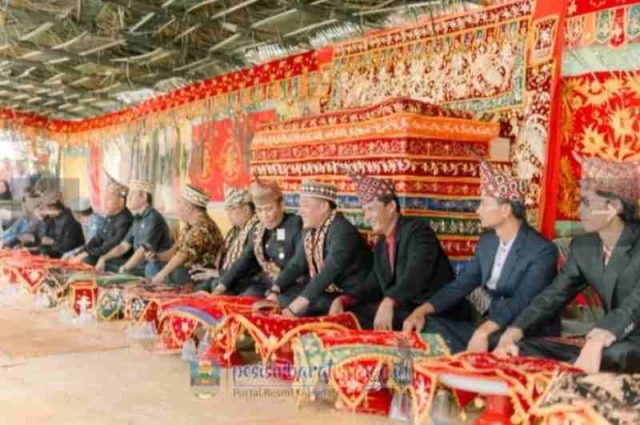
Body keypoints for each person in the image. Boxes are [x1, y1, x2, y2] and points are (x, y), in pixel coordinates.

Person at [495, 155, 640, 373]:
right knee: (520, 349)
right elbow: (553, 295)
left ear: (614, 207)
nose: (579, 211)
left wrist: (599, 338)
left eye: (587, 203)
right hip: (609, 340)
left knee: (609, 356)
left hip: (623, 339)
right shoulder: (584, 247)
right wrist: (514, 331)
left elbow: (635, 305)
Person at [402, 157, 559, 353]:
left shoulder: (542, 250)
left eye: (484, 203)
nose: (478, 210)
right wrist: (421, 311)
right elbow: (462, 284)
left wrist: (483, 331)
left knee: (503, 346)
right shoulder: (488, 242)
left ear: (505, 210)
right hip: (492, 328)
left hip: (524, 333)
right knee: (427, 325)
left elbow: (522, 300)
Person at [329, 173, 467, 330]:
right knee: (352, 313)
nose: (366, 217)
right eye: (364, 211)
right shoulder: (382, 244)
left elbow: (416, 273)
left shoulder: (417, 231)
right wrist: (344, 299)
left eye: (370, 209)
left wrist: (390, 300)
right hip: (405, 309)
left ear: (391, 207)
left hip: (435, 312)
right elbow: (373, 283)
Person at [266, 181, 372, 316]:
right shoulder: (310, 229)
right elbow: (296, 265)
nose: (300, 212)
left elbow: (326, 274)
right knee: (280, 296)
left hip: (350, 296)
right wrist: (275, 289)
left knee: (309, 304)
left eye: (305, 205)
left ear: (323, 207)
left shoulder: (343, 232)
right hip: (325, 291)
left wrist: (294, 308)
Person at [216, 178, 304, 298]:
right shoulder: (258, 230)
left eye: (269, 209)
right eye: (260, 210)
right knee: (241, 299)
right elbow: (244, 260)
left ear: (282, 205)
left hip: (290, 285)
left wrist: (279, 279)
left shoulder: (295, 224)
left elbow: (299, 264)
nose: (265, 216)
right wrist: (221, 286)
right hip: (264, 283)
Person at [147, 184, 224, 287]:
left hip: (201, 275)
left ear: (189, 208)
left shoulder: (203, 227)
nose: (177, 207)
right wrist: (156, 256)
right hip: (187, 271)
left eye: (179, 202)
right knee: (153, 265)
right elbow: (174, 252)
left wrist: (161, 275)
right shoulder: (190, 225)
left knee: (176, 272)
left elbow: (181, 256)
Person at [95, 179, 172, 276]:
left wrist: (124, 268)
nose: (128, 198)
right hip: (138, 265)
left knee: (116, 271)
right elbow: (124, 246)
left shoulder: (153, 218)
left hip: (151, 267)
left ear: (143, 197)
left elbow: (142, 250)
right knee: (105, 264)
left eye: (132, 194)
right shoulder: (138, 218)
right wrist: (104, 258)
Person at [191, 186, 259, 293]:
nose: (228, 216)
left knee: (213, 287)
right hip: (226, 275)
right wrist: (210, 269)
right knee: (199, 287)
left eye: (231, 211)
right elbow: (223, 255)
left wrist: (218, 274)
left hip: (245, 280)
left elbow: (245, 261)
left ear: (246, 209)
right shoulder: (235, 230)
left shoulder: (256, 228)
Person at [67, 179, 133, 266]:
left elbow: (112, 245)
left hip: (115, 257)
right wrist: (82, 252)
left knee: (85, 261)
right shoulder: (110, 216)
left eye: (109, 198)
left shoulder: (125, 220)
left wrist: (88, 253)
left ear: (121, 202)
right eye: (105, 198)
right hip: (101, 253)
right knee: (75, 257)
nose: (105, 202)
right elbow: (97, 238)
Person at [33, 192, 84, 258]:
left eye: (45, 209)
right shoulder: (52, 219)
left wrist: (52, 242)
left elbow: (69, 245)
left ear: (52, 208)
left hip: (68, 253)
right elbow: (46, 239)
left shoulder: (70, 219)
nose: (44, 213)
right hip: (55, 250)